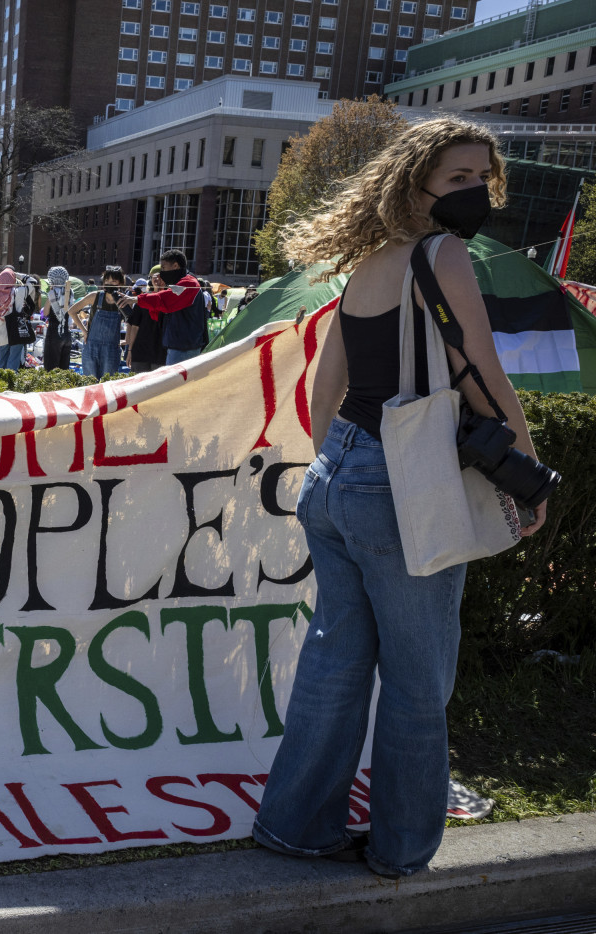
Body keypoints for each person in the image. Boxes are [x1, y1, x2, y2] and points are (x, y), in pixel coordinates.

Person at [251, 117, 548, 881]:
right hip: (397, 482)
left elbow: (325, 388)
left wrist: (339, 467)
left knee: (336, 664)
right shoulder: (446, 255)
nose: (476, 190)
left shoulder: (365, 263)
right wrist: (529, 471)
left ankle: (294, 826)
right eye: (458, 178)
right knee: (420, 681)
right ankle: (401, 850)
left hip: (338, 475)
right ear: (415, 183)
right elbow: (481, 370)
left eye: (483, 176)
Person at [127, 249, 205, 365]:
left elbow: (165, 299)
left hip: (184, 348)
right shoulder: (180, 282)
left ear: (175, 266)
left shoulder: (190, 283)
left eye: (163, 267)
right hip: (178, 346)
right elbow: (160, 310)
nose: (161, 272)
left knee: (177, 383)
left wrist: (137, 299)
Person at [68, 265, 132, 379]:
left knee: (107, 384)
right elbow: (72, 311)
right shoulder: (95, 296)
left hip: (112, 350)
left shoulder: (124, 301)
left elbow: (132, 321)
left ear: (120, 283)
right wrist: (84, 331)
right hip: (91, 347)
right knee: (90, 383)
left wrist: (127, 340)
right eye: (107, 280)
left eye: (113, 281)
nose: (109, 283)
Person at [124, 277, 166, 373]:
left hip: (162, 351)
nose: (157, 279)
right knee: (138, 383)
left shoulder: (171, 300)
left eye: (161, 276)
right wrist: (130, 350)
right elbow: (134, 326)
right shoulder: (143, 299)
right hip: (141, 350)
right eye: (154, 276)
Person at [41, 266, 77, 371]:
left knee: (51, 368)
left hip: (53, 333)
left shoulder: (52, 293)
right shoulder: (70, 292)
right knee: (64, 367)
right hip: (66, 333)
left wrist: (50, 295)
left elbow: (46, 312)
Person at [0, 267, 23, 370]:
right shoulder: (17, 292)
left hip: (0, 331)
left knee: (2, 358)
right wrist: (18, 275)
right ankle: (10, 380)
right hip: (14, 330)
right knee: (13, 358)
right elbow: (33, 282)